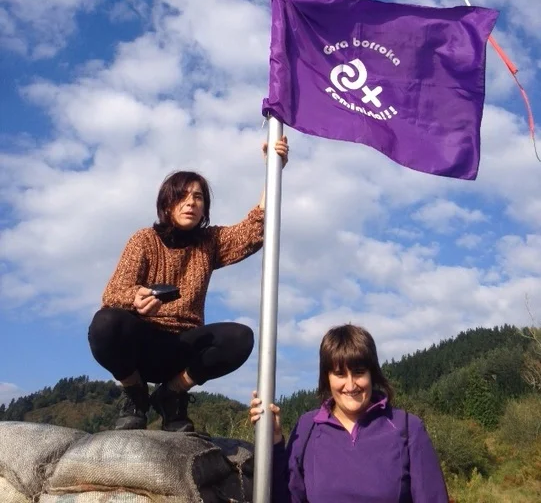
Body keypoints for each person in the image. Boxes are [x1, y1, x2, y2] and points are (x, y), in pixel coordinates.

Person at [88, 137, 289, 433]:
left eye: (198, 197)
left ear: (204, 208)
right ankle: (135, 393)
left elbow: (254, 228)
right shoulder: (144, 240)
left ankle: (171, 395)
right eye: (182, 196)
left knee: (240, 337)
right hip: (143, 345)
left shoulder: (209, 242)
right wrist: (136, 298)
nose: (191, 203)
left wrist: (274, 167)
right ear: (166, 204)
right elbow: (113, 292)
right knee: (105, 323)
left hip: (183, 347)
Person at [250, 324, 449, 503]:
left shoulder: (408, 427)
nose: (351, 385)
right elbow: (286, 497)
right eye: (340, 374)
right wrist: (274, 441)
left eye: (359, 372)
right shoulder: (308, 427)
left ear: (372, 374)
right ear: (327, 377)